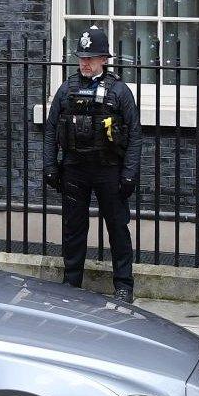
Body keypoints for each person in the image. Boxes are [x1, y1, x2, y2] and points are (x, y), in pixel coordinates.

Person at [43, 25, 142, 303]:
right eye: (82, 57)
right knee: (73, 228)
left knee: (117, 227)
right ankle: (71, 282)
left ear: (104, 60)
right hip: (74, 168)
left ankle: (124, 284)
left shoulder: (120, 91)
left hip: (109, 169)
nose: (85, 63)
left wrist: (129, 174)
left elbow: (134, 134)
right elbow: (51, 130)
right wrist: (50, 166)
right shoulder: (66, 89)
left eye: (91, 57)